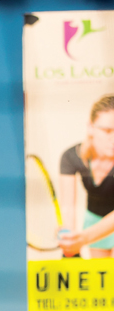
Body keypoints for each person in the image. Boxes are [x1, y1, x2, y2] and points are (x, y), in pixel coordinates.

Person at [59, 94, 114, 257]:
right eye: (107, 130)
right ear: (90, 127)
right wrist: (68, 236)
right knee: (103, 280)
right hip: (93, 220)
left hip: (94, 230)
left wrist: (84, 238)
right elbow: (67, 209)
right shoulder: (71, 157)